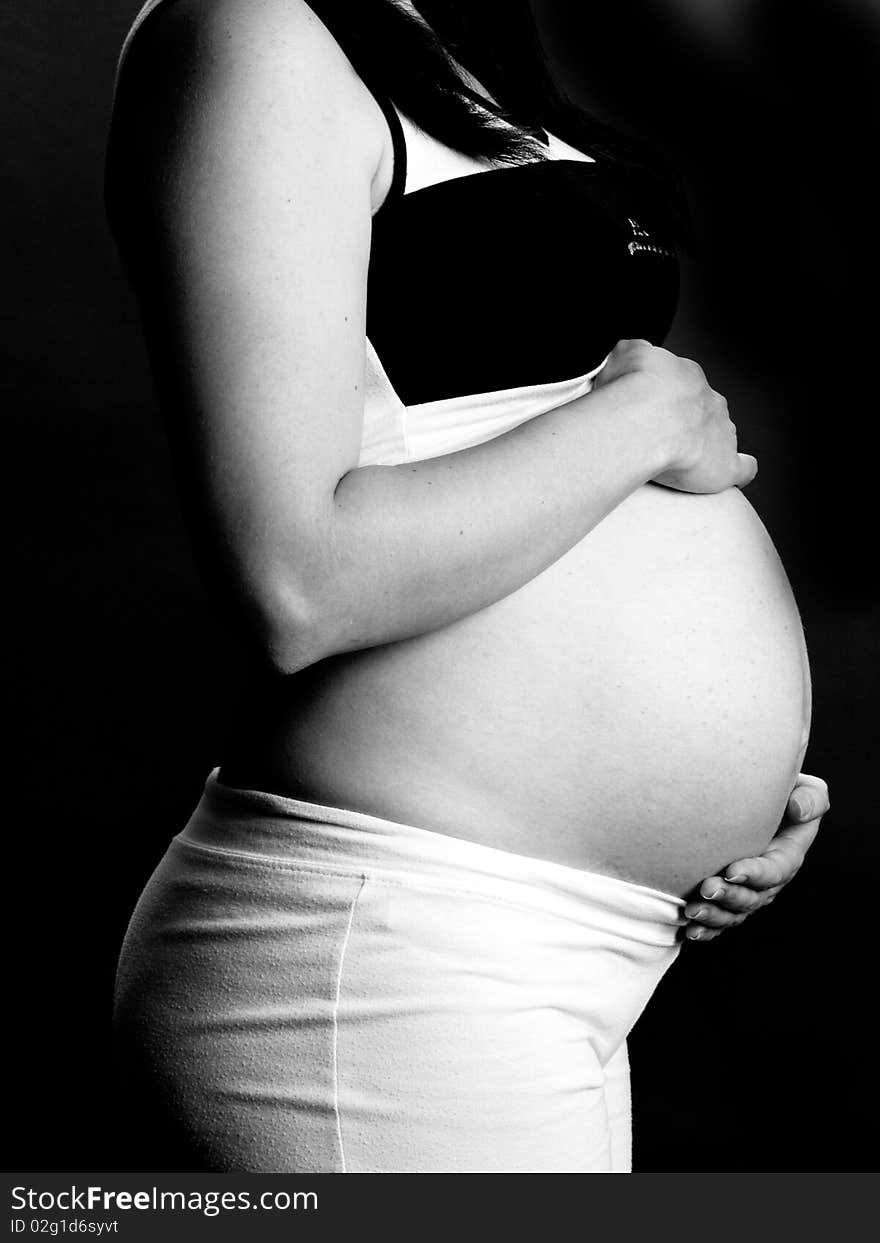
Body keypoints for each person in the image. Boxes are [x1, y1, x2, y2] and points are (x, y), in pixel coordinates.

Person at [106, 0, 830, 1172]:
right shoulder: (252, 26)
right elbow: (294, 579)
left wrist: (728, 778)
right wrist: (641, 423)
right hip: (386, 951)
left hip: (549, 949)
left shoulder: (454, 38)